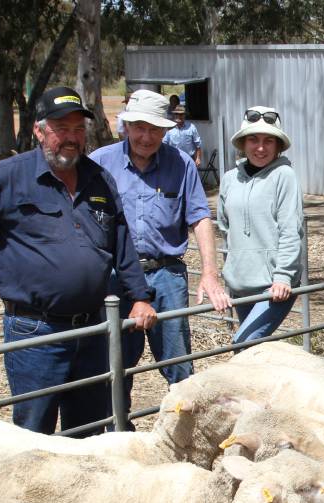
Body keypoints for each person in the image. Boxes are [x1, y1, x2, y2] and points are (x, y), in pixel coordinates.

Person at [0, 87, 157, 435]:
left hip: (92, 327)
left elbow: (121, 240)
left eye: (78, 129)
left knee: (90, 428)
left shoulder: (99, 179)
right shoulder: (9, 176)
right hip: (36, 330)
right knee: (34, 430)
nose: (71, 138)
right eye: (61, 129)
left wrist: (140, 296)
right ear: (39, 131)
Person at [90, 89, 230, 418]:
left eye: (155, 129)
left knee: (178, 363)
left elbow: (199, 217)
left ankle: (188, 431)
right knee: (115, 364)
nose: (146, 136)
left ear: (166, 131)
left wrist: (209, 273)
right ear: (125, 126)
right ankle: (118, 432)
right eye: (139, 127)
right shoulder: (100, 163)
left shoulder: (180, 164)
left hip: (166, 273)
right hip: (116, 277)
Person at [218, 106, 304, 344]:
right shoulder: (229, 179)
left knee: (243, 343)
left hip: (272, 285)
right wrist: (230, 270)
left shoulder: (284, 176)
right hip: (240, 282)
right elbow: (225, 227)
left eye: (269, 141)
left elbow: (290, 229)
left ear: (277, 146)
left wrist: (283, 277)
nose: (260, 147)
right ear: (243, 143)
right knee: (254, 351)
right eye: (253, 139)